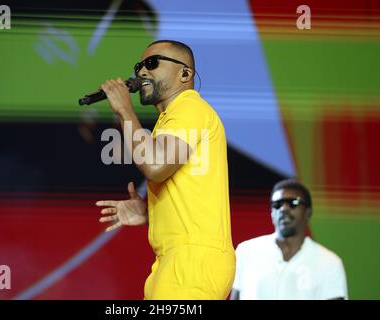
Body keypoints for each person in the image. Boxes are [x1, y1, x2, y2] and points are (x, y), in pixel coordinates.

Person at [95, 40, 235, 299]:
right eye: (139, 66)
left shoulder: (189, 107)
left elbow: (156, 166)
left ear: (185, 73)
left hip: (191, 262)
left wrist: (125, 111)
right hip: (176, 261)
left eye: (152, 63)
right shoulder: (170, 119)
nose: (142, 72)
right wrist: (151, 211)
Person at [230, 179, 348, 300]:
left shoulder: (329, 263)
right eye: (277, 204)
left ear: (308, 212)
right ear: (271, 213)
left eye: (293, 203)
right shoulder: (246, 251)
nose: (283, 209)